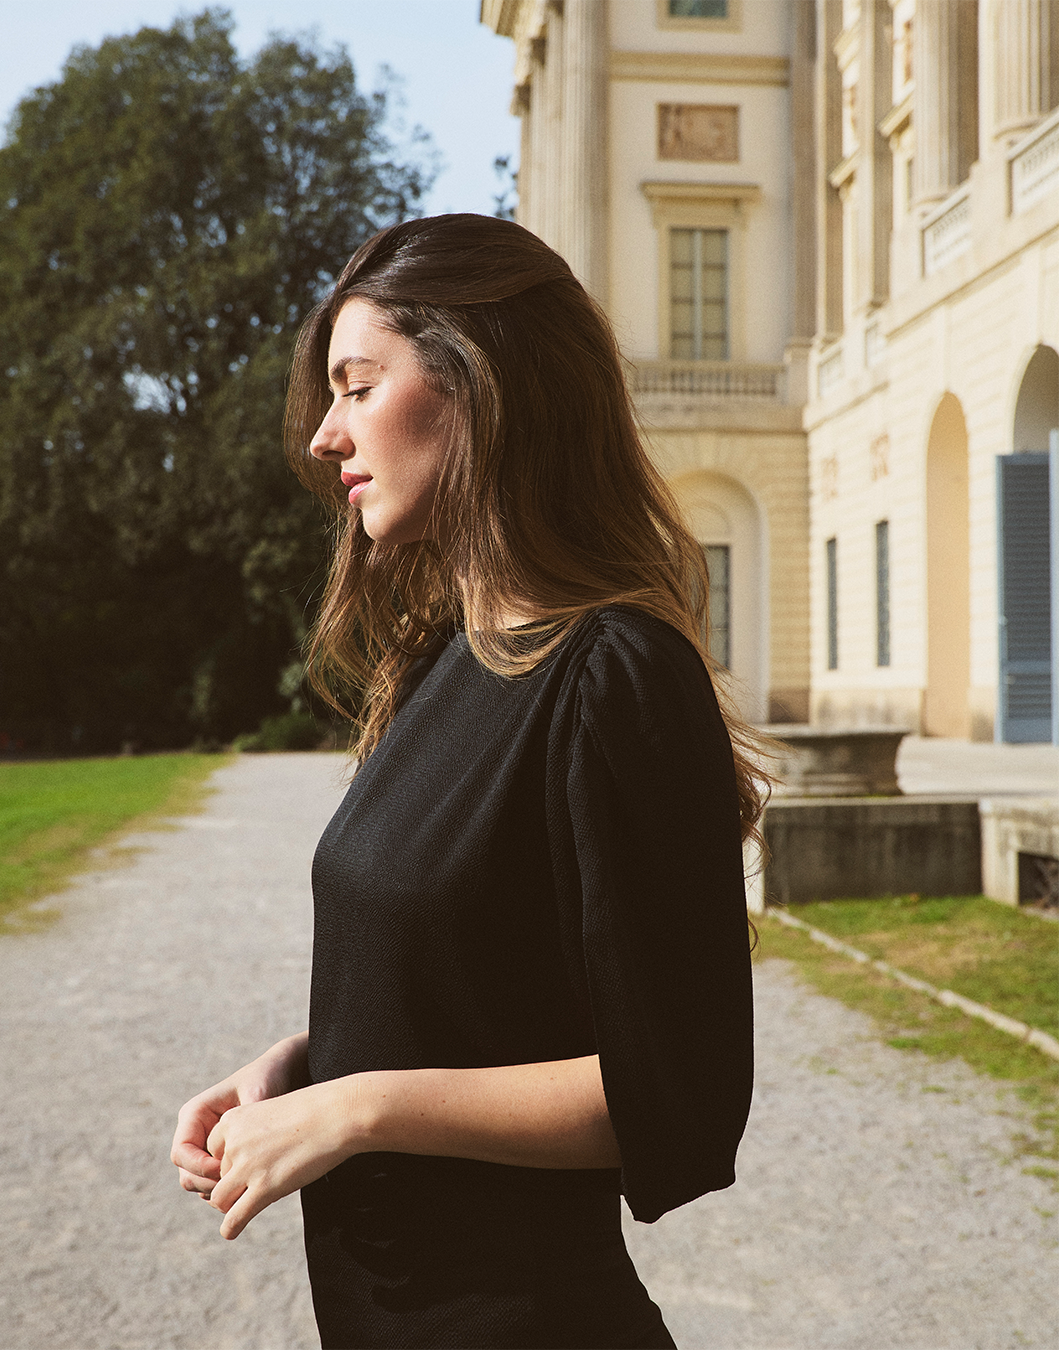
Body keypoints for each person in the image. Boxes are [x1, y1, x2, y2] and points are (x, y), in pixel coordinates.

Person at [171, 213, 768, 1350]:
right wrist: (298, 1074)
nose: (325, 437)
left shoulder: (615, 675)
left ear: (479, 386)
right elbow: (470, 986)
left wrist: (357, 1111)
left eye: (358, 385)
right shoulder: (438, 661)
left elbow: (677, 1094)